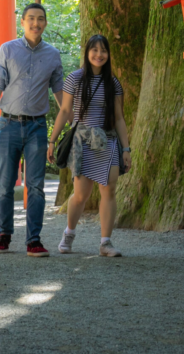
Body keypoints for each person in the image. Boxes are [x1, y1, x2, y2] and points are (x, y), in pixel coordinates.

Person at [0, 3, 64, 256]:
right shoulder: (7, 50)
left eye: (40, 19)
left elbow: (60, 92)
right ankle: (4, 233)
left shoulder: (53, 55)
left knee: (36, 185)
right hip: (8, 125)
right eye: (31, 18)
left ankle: (34, 239)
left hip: (37, 126)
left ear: (45, 23)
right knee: (5, 184)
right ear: (23, 21)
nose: (35, 23)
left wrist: (71, 117)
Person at [47, 33, 131, 257]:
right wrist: (52, 141)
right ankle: (69, 233)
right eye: (95, 50)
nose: (99, 54)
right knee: (81, 195)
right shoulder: (75, 79)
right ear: (87, 52)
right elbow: (65, 111)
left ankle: (105, 243)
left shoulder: (113, 83)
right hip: (83, 142)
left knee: (109, 190)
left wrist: (126, 149)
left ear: (108, 54)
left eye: (103, 50)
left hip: (108, 141)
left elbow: (119, 118)